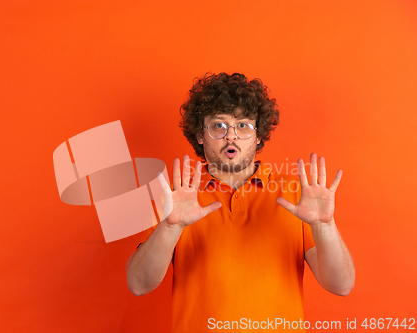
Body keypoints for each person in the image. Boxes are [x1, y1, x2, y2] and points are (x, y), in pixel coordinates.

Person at [126, 72, 355, 332]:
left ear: (258, 136)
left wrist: (324, 226)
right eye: (218, 125)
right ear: (200, 135)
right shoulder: (176, 196)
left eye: (243, 125)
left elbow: (341, 286)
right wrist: (169, 228)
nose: (231, 136)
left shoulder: (296, 194)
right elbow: (138, 284)